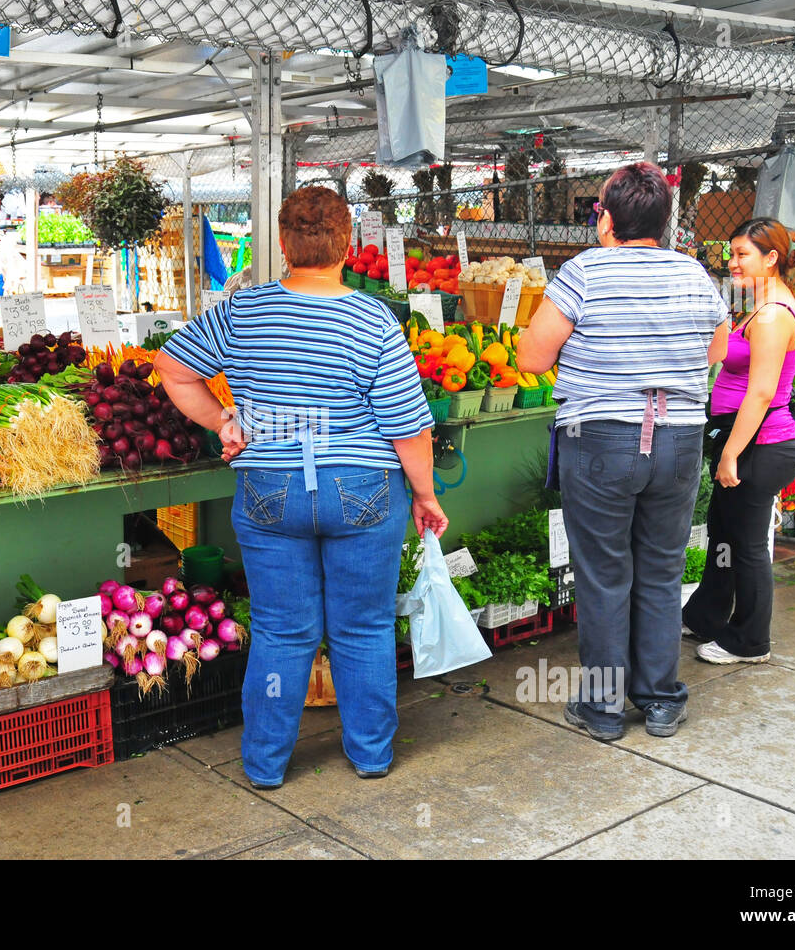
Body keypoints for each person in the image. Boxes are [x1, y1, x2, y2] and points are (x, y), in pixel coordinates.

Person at [154, 186, 447, 789]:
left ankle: (264, 764)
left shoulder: (245, 309)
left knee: (282, 630)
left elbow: (172, 368)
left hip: (269, 488)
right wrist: (425, 494)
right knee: (362, 626)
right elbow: (409, 427)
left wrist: (223, 422)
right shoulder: (374, 320)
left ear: (283, 244)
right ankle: (370, 755)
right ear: (347, 246)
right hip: (362, 490)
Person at [516, 161, 730, 741]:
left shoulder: (583, 272)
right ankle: (661, 700)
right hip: (679, 437)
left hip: (601, 439)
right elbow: (715, 351)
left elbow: (532, 359)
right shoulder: (695, 276)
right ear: (663, 220)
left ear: (607, 218)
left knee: (604, 574)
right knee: (660, 571)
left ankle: (604, 709)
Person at [682, 219, 795, 664]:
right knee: (723, 532)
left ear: (771, 258)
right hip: (746, 440)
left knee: (748, 545)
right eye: (731, 253)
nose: (731, 262)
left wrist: (732, 454)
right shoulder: (761, 306)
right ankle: (706, 615)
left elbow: (760, 393)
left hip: (762, 444)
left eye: (742, 255)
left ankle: (751, 641)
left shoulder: (774, 315)